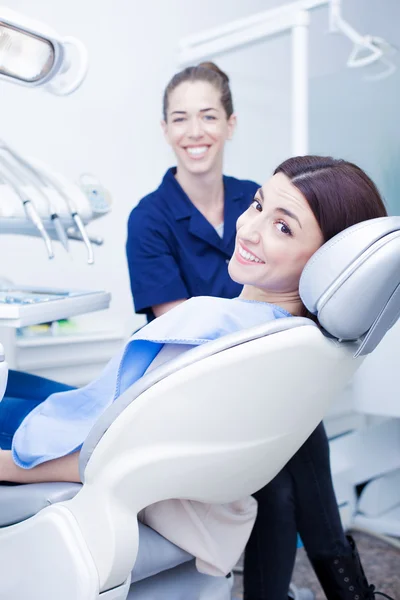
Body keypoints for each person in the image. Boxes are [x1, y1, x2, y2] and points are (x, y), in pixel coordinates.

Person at [0, 155, 390, 600]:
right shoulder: (301, 341)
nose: (249, 229)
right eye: (259, 205)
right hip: (186, 479)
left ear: (326, 260)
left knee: (8, 391)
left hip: (100, 450)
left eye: (283, 227)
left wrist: (8, 465)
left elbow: (107, 460)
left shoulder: (216, 332)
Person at [125, 62, 389, 600]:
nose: (194, 131)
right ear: (165, 130)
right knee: (283, 468)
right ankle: (346, 590)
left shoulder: (264, 195)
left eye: (208, 115)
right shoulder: (150, 218)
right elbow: (186, 330)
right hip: (197, 379)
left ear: (230, 123)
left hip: (266, 375)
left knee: (288, 454)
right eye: (180, 118)